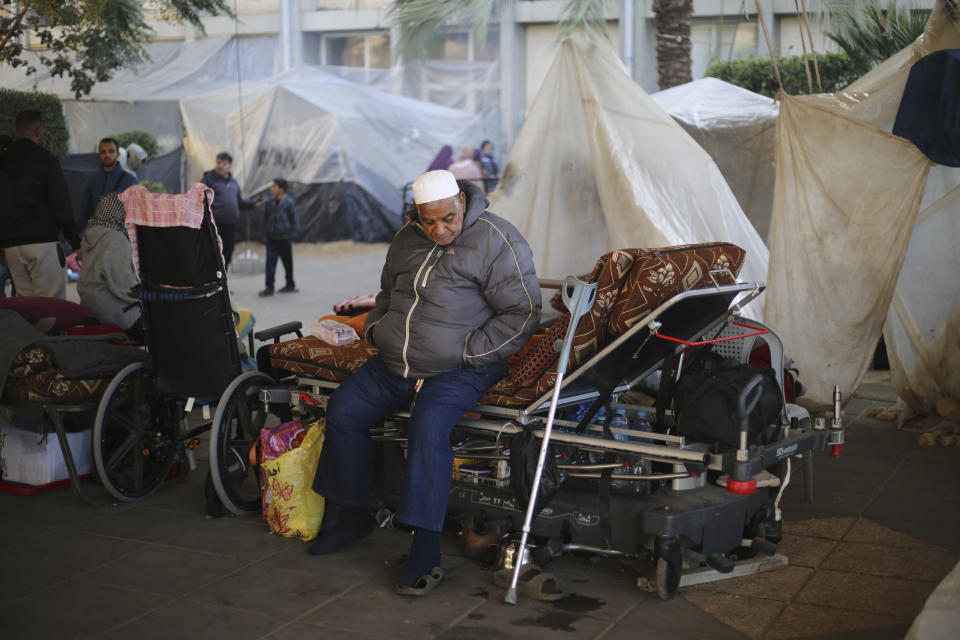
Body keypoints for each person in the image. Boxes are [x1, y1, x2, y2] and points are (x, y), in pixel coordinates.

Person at [308, 170, 541, 596]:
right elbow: (385, 292)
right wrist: (377, 330)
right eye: (428, 221)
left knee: (428, 428)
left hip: (461, 368)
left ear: (463, 204)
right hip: (396, 362)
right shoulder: (407, 237)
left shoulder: (496, 240)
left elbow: (523, 313)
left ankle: (425, 546)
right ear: (416, 215)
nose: (439, 230)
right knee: (343, 411)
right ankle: (351, 515)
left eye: (448, 218)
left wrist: (469, 353)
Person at [0, 110, 80, 299]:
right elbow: (61, 204)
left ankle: (28, 331)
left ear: (17, 130)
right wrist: (75, 242)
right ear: (38, 130)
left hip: (11, 246)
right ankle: (49, 331)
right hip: (42, 242)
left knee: (25, 304)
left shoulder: (2, 162)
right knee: (51, 307)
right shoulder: (46, 160)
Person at [77, 193, 142, 337]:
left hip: (91, 304)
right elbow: (123, 286)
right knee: (160, 324)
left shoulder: (92, 233)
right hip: (112, 309)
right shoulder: (114, 238)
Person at [200, 152, 260, 269]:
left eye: (224, 163)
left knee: (227, 253)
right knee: (213, 254)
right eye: (218, 162)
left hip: (230, 225)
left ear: (230, 166)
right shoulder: (208, 179)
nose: (220, 165)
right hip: (214, 225)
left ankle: (223, 284)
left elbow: (239, 202)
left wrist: (252, 204)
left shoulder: (233, 182)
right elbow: (199, 197)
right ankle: (211, 285)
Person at [80, 137, 139, 228]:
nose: (107, 155)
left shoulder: (130, 180)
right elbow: (84, 211)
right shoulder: (92, 180)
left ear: (118, 154)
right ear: (99, 154)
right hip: (96, 236)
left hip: (121, 236)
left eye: (111, 151)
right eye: (103, 152)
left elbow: (137, 213)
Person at [258, 178, 299, 297]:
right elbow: (265, 219)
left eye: (274, 186)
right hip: (272, 239)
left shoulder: (289, 202)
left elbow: (294, 220)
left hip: (284, 238)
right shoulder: (269, 202)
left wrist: (291, 236)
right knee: (270, 263)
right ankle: (269, 287)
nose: (272, 188)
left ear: (281, 189)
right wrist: (265, 235)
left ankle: (290, 284)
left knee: (287, 263)